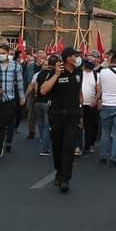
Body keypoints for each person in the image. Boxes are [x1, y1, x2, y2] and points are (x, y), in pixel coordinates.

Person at [40, 47, 84, 193]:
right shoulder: (55, 72)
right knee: (58, 147)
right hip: (57, 116)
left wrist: (81, 112)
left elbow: (78, 92)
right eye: (74, 56)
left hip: (73, 116)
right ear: (66, 58)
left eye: (77, 56)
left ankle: (65, 179)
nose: (77, 58)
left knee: (69, 147)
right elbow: (43, 90)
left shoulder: (79, 72)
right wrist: (57, 75)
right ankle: (59, 171)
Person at [0, 43, 26, 163]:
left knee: (2, 125)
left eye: (3, 53)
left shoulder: (16, 66)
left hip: (9, 100)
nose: (1, 55)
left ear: (8, 54)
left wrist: (22, 98)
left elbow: (20, 83)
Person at [30, 55, 57, 156]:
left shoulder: (40, 73)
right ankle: (45, 147)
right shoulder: (54, 74)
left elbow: (36, 88)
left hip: (38, 101)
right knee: (47, 125)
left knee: (41, 122)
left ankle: (42, 138)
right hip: (48, 102)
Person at [81, 52, 101, 153]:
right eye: (89, 60)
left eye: (93, 61)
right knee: (79, 125)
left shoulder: (96, 75)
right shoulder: (78, 73)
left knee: (91, 126)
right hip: (80, 104)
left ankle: (89, 145)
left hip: (91, 104)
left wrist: (96, 100)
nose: (91, 62)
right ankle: (78, 146)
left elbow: (99, 90)